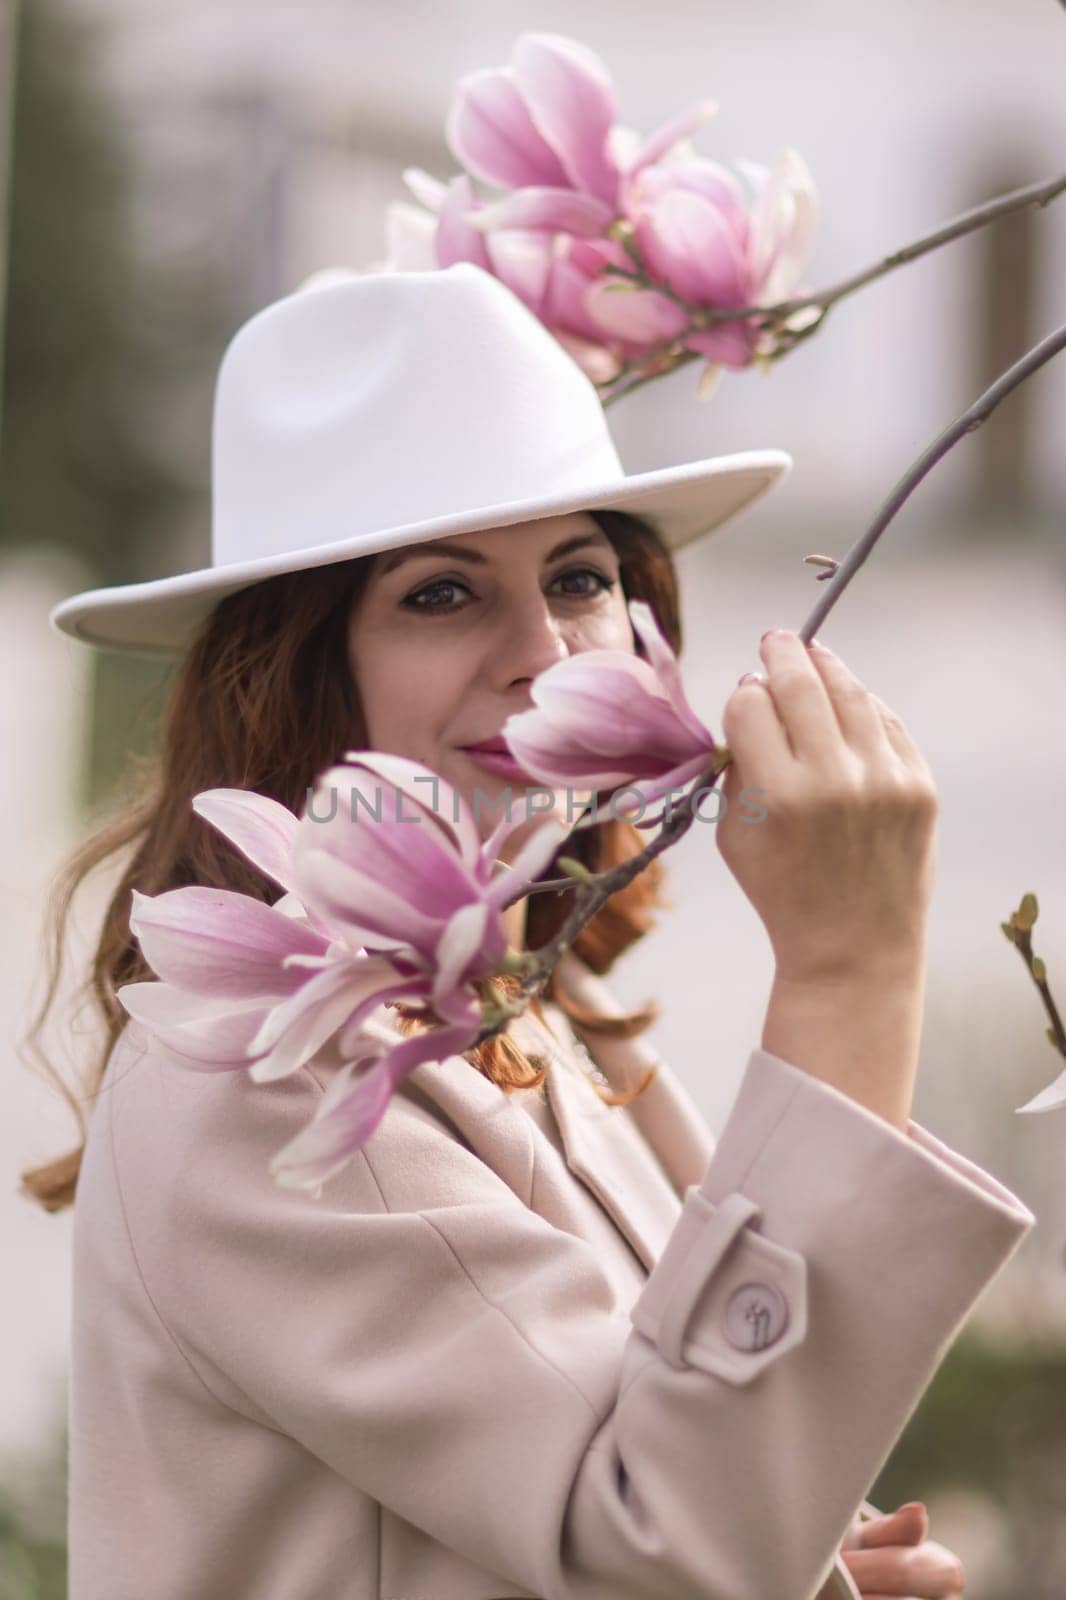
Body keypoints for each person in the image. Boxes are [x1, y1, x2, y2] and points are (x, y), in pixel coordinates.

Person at [27, 263, 1033, 1600]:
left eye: (577, 576)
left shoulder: (539, 1025)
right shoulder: (265, 1080)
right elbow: (677, 1543)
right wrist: (852, 968)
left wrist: (823, 1566)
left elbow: (684, 1483)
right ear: (293, 670)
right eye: (441, 594)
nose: (549, 657)